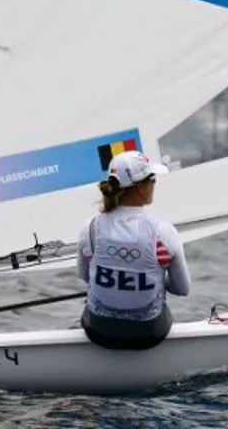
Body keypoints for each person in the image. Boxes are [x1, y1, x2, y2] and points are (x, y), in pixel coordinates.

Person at [76, 150, 190, 350]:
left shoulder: (90, 227)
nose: (155, 185)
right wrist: (154, 277)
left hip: (98, 330)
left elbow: (86, 276)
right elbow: (182, 289)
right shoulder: (164, 232)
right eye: (152, 179)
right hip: (148, 334)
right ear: (140, 188)